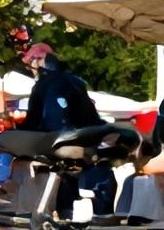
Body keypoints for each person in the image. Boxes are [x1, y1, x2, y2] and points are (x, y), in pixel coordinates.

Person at [19, 45, 111, 215]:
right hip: (82, 147)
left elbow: (32, 122)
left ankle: (59, 213)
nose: (31, 70)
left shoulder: (42, 85)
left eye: (31, 64)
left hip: (54, 147)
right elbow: (91, 118)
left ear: (39, 61)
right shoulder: (77, 82)